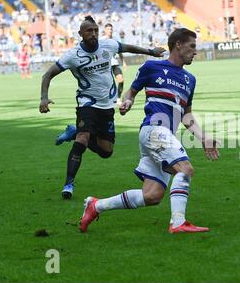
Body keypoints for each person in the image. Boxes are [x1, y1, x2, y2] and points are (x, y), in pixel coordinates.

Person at [79, 28, 220, 233]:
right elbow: (132, 91)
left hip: (164, 135)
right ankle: (178, 222)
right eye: (192, 46)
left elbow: (186, 115)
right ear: (178, 45)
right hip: (154, 130)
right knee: (186, 169)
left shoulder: (190, 80)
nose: (195, 52)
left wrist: (203, 137)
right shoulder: (152, 66)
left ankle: (95, 205)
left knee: (152, 195)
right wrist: (127, 101)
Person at [39, 16, 165, 199]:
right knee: (82, 141)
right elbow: (48, 74)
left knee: (106, 151)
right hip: (87, 103)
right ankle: (68, 184)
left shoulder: (108, 45)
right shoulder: (72, 55)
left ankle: (75, 132)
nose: (93, 34)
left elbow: (127, 47)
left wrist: (151, 52)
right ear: (80, 34)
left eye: (95, 30)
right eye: (89, 31)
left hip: (107, 105)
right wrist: (44, 97)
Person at [103, 23, 126, 105]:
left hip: (114, 63)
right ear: (105, 30)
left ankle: (118, 98)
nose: (110, 31)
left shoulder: (115, 40)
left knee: (121, 80)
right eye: (108, 29)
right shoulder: (101, 40)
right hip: (105, 65)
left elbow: (120, 51)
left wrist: (123, 62)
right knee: (107, 84)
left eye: (111, 29)